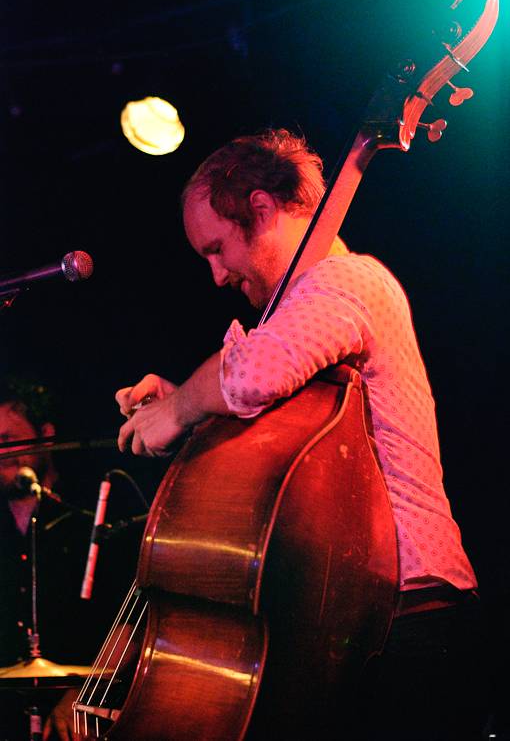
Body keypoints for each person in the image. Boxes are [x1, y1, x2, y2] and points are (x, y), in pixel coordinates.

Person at [115, 129, 489, 740]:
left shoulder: (348, 280)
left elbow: (254, 374)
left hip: (415, 618)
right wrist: (186, 406)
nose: (215, 276)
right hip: (359, 621)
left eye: (216, 248)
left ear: (260, 210)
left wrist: (185, 405)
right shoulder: (296, 314)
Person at [0, 376, 141, 741]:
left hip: (80, 716)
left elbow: (130, 621)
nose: (0, 452)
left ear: (45, 434)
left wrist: (86, 693)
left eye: (8, 440)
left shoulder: (93, 518)